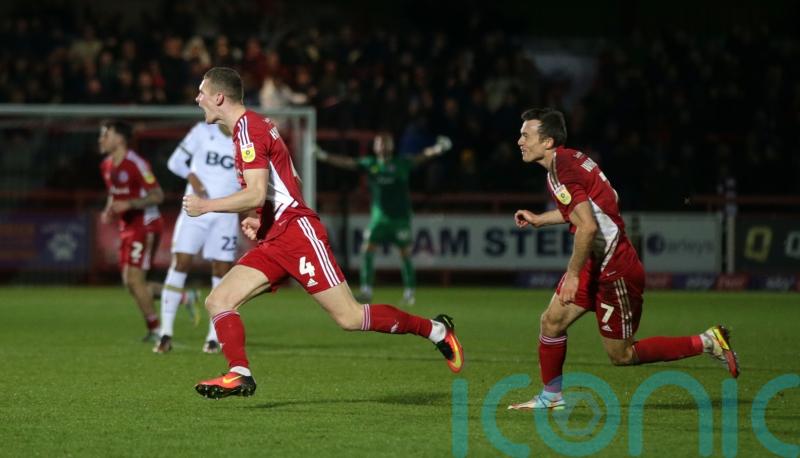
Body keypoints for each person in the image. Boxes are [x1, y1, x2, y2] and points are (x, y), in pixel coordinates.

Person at [183, 67, 464, 399]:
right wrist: (261, 219)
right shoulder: (251, 128)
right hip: (276, 236)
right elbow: (291, 181)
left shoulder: (249, 131)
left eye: (201, 92)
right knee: (219, 300)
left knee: (350, 316)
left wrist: (207, 205)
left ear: (219, 97)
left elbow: (257, 193)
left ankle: (435, 330)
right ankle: (239, 372)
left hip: (298, 235)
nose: (197, 98)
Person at [507, 108, 739, 411]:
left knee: (621, 355)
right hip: (594, 261)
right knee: (551, 322)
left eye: (526, 135)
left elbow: (588, 226)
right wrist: (540, 219)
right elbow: (608, 200)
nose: (519, 141)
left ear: (548, 141)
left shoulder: (561, 168)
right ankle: (551, 397)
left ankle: (708, 341)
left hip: (615, 268)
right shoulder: (568, 161)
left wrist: (573, 274)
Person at [315, 132, 452, 306]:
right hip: (379, 219)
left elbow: (422, 157)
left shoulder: (401, 163)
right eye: (380, 143)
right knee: (367, 250)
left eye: (386, 143)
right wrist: (324, 156)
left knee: (405, 254)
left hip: (400, 218)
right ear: (375, 147)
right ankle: (366, 291)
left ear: (391, 146)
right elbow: (349, 163)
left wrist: (438, 149)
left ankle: (410, 292)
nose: (382, 146)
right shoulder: (370, 164)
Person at [153, 121, 240, 354]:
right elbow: (174, 162)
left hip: (225, 214)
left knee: (221, 270)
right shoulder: (202, 131)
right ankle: (165, 334)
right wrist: (192, 176)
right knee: (180, 263)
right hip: (195, 209)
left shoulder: (245, 139)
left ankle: (213, 337)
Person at [98, 120, 165, 341]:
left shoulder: (136, 163)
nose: (101, 139)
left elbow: (157, 195)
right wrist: (110, 208)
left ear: (119, 139)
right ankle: (181, 296)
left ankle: (156, 330)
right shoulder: (106, 166)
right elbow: (114, 193)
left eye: (106, 135)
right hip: (127, 226)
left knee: (135, 280)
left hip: (145, 224)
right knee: (131, 283)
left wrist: (130, 204)